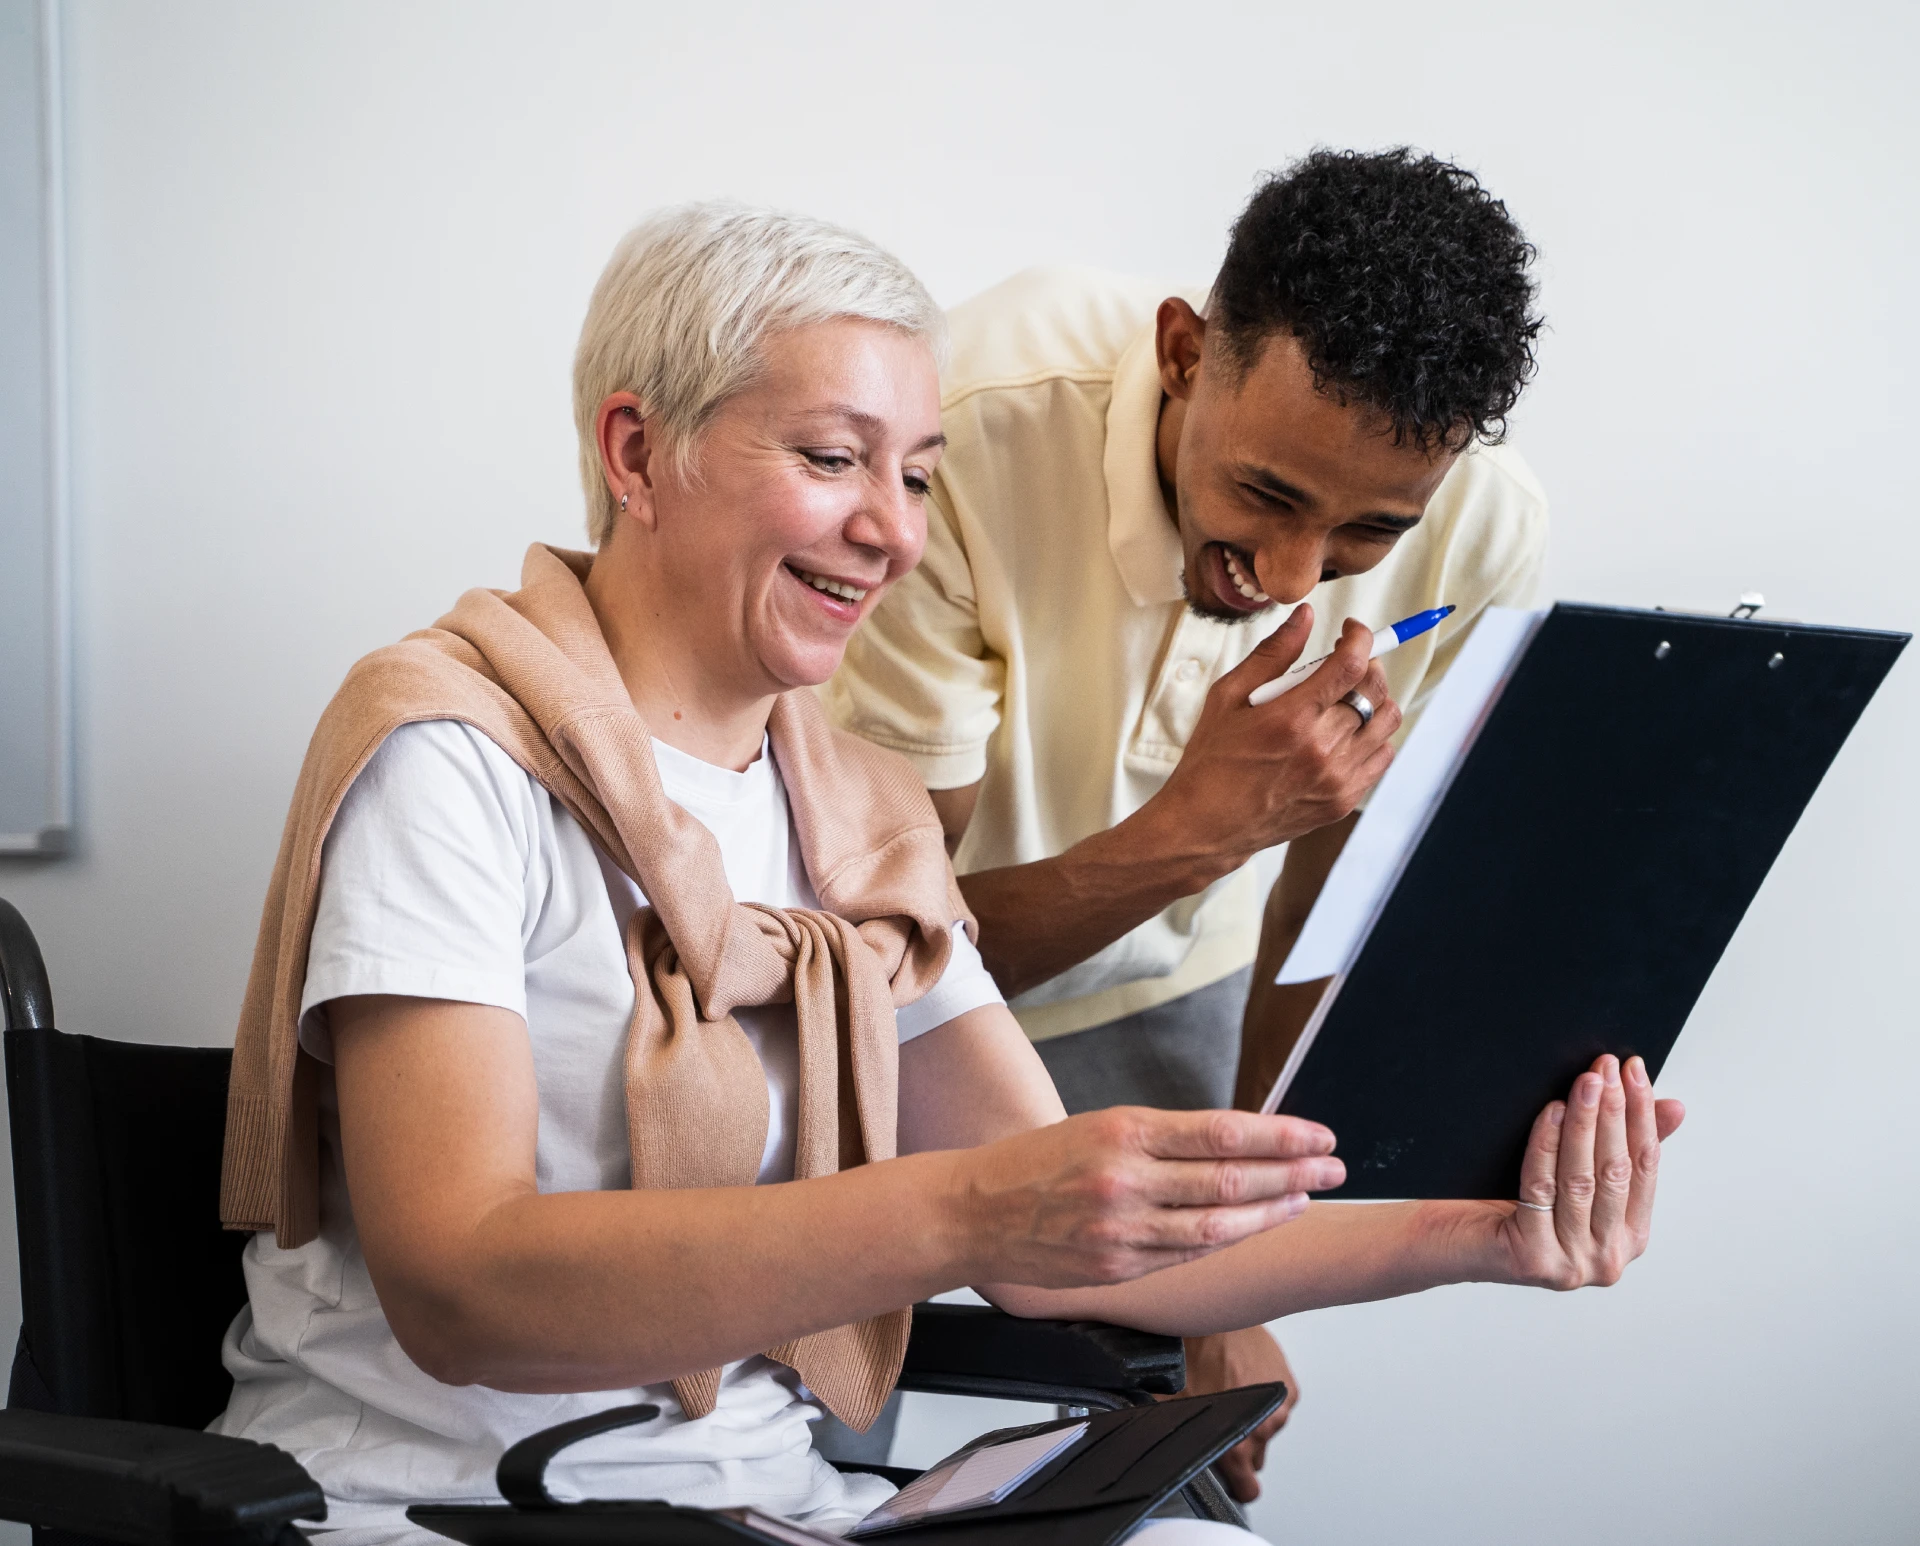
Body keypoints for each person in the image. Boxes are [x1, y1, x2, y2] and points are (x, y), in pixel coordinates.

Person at [213, 203, 1679, 1546]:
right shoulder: (447, 759)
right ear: (635, 451)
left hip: (763, 1501)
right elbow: (461, 1280)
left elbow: (1081, 1257)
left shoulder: (857, 819)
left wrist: (1487, 1234)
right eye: (833, 458)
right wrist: (966, 1210)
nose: (896, 531)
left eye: (917, 476)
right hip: (419, 1501)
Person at [825, 148, 1549, 1495]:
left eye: (1363, 534)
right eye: (1269, 495)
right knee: (817, 1418)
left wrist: (1239, 1255)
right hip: (917, 990)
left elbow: (1328, 899)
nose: (1290, 578)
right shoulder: (965, 428)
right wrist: (1204, 826)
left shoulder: (1484, 538)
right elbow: (879, 966)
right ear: (1181, 351)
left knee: (1185, 1450)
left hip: (1181, 996)